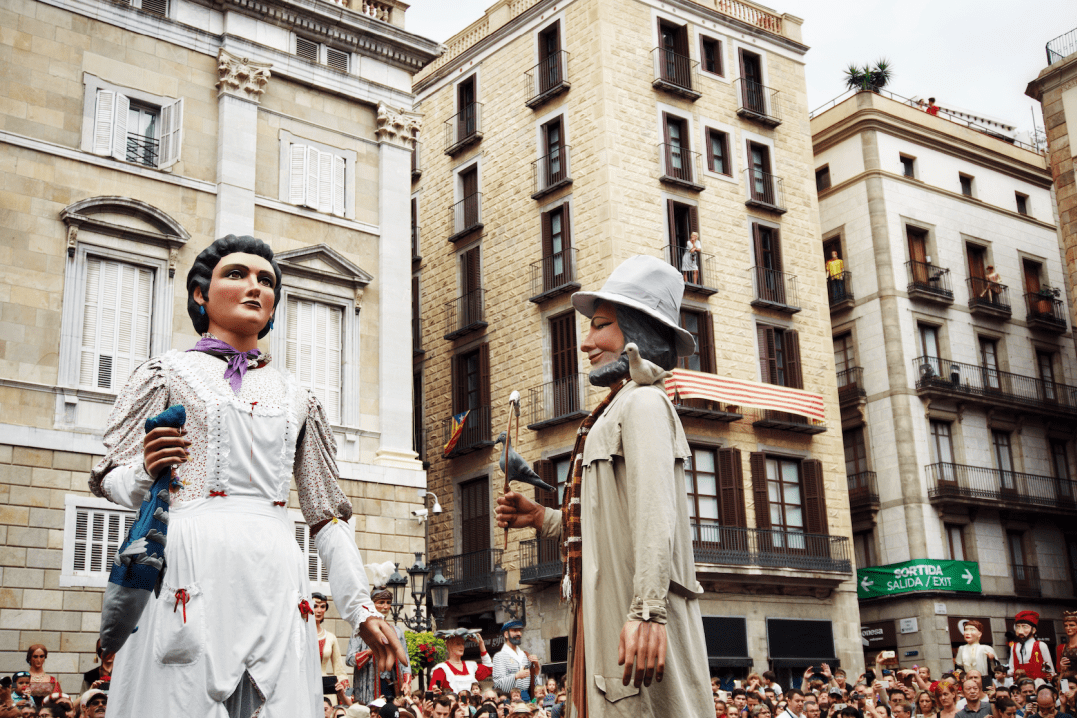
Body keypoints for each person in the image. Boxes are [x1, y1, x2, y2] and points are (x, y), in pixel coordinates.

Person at [88, 234, 405, 717]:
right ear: (201, 294)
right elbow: (108, 475)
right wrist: (144, 470)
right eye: (236, 274)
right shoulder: (166, 373)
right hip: (191, 562)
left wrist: (360, 608)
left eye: (266, 280)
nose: (255, 287)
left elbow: (326, 517)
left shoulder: (299, 395)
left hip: (277, 572)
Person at [496, 255, 712, 716]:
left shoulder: (645, 405)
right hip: (602, 622)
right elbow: (602, 521)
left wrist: (649, 612)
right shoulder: (615, 409)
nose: (586, 342)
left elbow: (655, 514)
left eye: (600, 326)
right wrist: (542, 518)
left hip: (631, 619)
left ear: (636, 331)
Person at [346, 587, 412, 705]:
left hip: (393, 685)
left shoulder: (397, 632)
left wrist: (406, 682)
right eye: (381, 602)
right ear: (372, 605)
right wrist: (371, 652)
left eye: (388, 603)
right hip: (369, 687)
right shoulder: (360, 631)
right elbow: (349, 659)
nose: (385, 607)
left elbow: (405, 660)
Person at [313, 592, 352, 704]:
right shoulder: (300, 636)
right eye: (315, 606)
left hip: (327, 689)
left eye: (322, 606)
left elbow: (340, 670)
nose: (319, 610)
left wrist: (349, 696)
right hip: (305, 685)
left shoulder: (331, 637)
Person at [430, 629, 492, 694]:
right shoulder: (441, 668)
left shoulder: (471, 666)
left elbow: (489, 668)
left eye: (463, 643)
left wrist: (481, 644)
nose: (462, 646)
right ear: (448, 645)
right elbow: (433, 694)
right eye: (458, 644)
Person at [492, 620, 539, 701]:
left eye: (519, 631)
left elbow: (534, 681)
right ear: (506, 634)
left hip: (526, 698)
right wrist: (516, 676)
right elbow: (498, 684)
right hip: (509, 698)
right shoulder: (499, 656)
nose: (519, 634)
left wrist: (537, 665)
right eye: (514, 631)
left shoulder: (524, 655)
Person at [1009, 612, 1054, 683]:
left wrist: (1051, 677)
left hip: (1038, 683)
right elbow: (1012, 667)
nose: (1020, 631)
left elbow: (1049, 667)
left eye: (1024, 627)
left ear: (1033, 630)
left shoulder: (1041, 645)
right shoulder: (1014, 646)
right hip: (1020, 684)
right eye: (1018, 627)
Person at [1058, 611, 1077, 682]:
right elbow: (1059, 672)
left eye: (1072, 625)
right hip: (1066, 682)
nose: (1068, 628)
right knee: (1064, 692)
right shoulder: (1061, 648)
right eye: (1066, 625)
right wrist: (1062, 670)